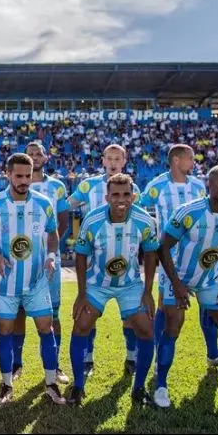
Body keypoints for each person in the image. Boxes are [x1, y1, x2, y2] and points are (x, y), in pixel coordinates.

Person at [154, 165, 218, 410]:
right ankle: (161, 386)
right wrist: (176, 284)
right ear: (210, 185)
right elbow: (163, 247)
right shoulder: (188, 212)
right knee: (173, 327)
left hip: (211, 279)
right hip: (177, 277)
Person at [67, 174, 158, 406]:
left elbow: (150, 255)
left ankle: (138, 389)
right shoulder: (92, 220)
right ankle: (78, 386)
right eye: (115, 194)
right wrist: (81, 293)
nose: (121, 199)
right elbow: (80, 256)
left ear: (133, 196)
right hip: (97, 284)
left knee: (147, 330)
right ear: (106, 196)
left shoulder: (145, 220)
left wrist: (147, 291)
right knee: (81, 327)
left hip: (130, 285)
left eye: (126, 194)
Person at [0, 153, 65, 406]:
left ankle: (51, 382)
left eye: (27, 176)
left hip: (38, 280)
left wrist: (51, 255)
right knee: (5, 331)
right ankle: (7, 384)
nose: (23, 181)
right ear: (7, 174)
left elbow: (53, 234)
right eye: (18, 176)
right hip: (5, 282)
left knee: (46, 327)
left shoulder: (43, 203)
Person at [139, 145, 218, 373]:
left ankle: (213, 354)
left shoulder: (197, 185)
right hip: (169, 256)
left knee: (207, 302)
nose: (193, 163)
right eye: (190, 158)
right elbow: (139, 206)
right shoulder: (157, 185)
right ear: (176, 160)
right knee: (166, 305)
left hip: (199, 253)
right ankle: (157, 356)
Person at [68, 144, 141, 377]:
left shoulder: (132, 187)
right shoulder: (88, 185)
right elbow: (67, 205)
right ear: (102, 161)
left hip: (122, 257)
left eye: (117, 158)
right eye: (109, 158)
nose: (112, 162)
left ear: (124, 160)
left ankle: (132, 357)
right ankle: (87, 358)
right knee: (90, 314)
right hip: (93, 258)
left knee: (130, 316)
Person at [18, 141, 71, 384]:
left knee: (53, 313)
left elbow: (63, 222)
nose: (35, 156)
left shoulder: (57, 186)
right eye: (30, 154)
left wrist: (49, 248)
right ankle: (16, 364)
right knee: (17, 312)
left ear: (45, 157)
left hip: (48, 258)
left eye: (38, 153)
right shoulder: (15, 183)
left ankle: (55, 365)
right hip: (19, 258)